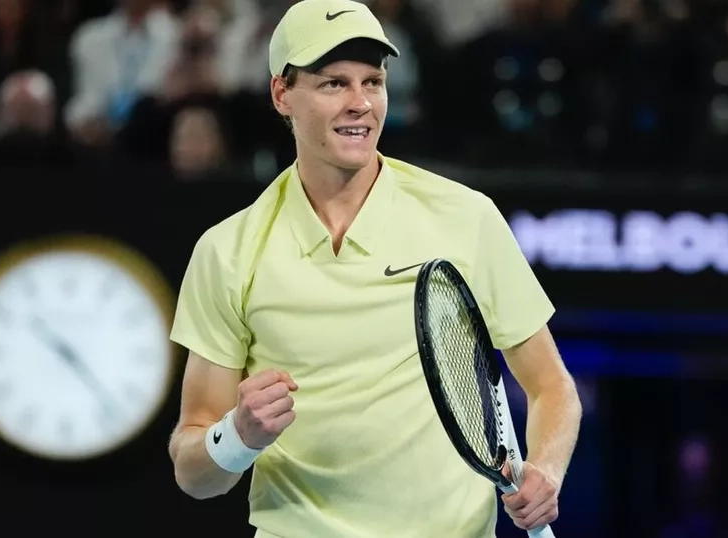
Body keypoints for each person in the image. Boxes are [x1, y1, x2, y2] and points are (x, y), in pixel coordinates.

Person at [166, 1, 582, 537]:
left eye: (373, 82)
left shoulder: (466, 217)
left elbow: (551, 387)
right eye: (334, 84)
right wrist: (238, 435)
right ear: (282, 95)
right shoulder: (227, 251)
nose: (360, 103)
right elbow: (194, 474)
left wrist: (545, 470)